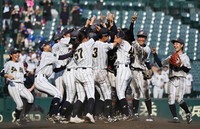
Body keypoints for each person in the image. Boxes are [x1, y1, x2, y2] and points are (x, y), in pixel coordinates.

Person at [152, 37, 192, 124]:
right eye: (174, 43)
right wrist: (155, 54)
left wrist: (180, 64)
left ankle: (188, 112)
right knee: (170, 99)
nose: (175, 45)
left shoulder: (185, 57)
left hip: (181, 79)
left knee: (178, 99)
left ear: (182, 45)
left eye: (177, 43)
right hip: (171, 79)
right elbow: (160, 64)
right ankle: (175, 117)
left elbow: (187, 70)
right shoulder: (171, 57)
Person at [34, 40, 75, 123]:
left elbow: (56, 70)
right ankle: (53, 115)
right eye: (48, 45)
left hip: (42, 79)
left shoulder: (47, 56)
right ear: (43, 47)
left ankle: (51, 115)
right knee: (57, 94)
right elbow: (61, 57)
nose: (50, 45)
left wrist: (66, 66)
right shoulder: (46, 54)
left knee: (58, 94)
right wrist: (72, 52)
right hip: (40, 78)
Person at [92, 27, 121, 123]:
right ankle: (107, 116)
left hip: (92, 72)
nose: (108, 37)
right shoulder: (104, 45)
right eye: (107, 36)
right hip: (101, 71)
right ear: (103, 36)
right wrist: (116, 40)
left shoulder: (93, 44)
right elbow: (114, 45)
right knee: (108, 94)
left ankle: (97, 115)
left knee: (101, 95)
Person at [2, 48, 34, 126]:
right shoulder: (8, 63)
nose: (17, 54)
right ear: (11, 55)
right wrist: (7, 75)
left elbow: (22, 72)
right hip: (13, 85)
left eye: (18, 53)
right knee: (20, 105)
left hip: (21, 85)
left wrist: (28, 73)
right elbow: (2, 73)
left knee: (31, 98)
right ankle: (17, 119)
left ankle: (24, 116)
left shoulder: (21, 63)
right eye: (15, 53)